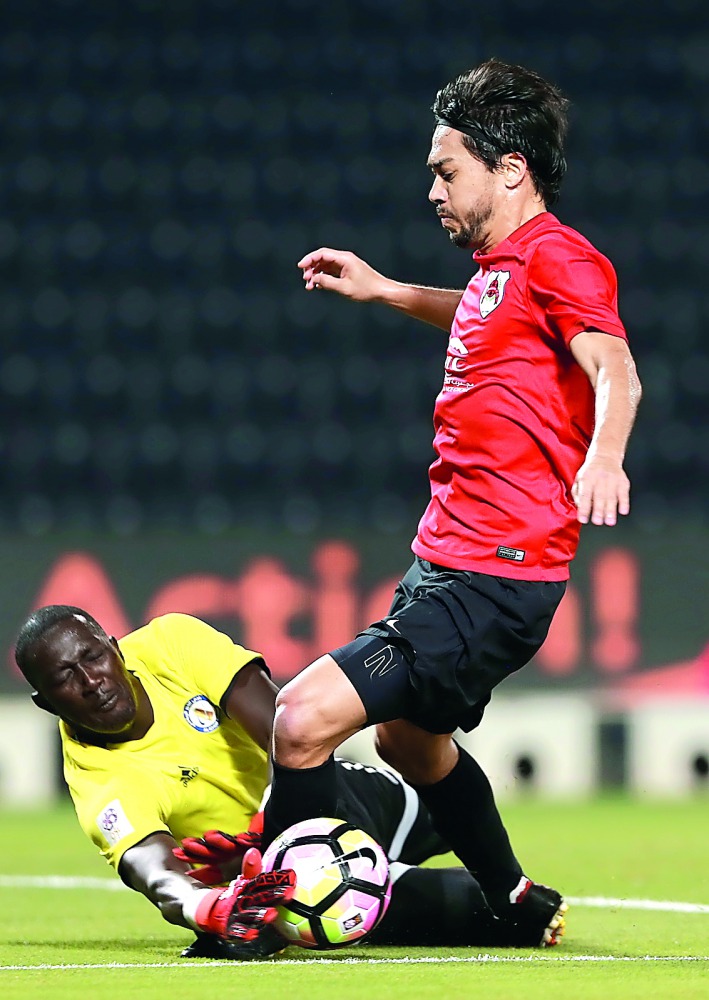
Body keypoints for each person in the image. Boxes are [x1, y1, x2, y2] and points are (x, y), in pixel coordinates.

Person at [259, 57, 642, 948]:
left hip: (494, 574)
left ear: (509, 169)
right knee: (408, 745)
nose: (432, 190)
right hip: (445, 561)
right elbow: (481, 309)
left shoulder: (560, 257)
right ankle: (513, 902)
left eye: (445, 171)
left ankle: (269, 906)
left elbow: (614, 365)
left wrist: (604, 457)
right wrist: (388, 290)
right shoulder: (503, 271)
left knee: (300, 718)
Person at [14, 605, 563, 960]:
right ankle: (503, 907)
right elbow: (156, 874)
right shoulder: (99, 780)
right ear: (45, 702)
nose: (91, 680)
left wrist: (266, 827)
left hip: (322, 795)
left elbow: (284, 732)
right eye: (65, 677)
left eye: (93, 656)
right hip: (277, 885)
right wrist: (207, 908)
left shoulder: (171, 643)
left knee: (443, 807)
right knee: (509, 918)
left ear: (114, 645)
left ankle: (496, 877)